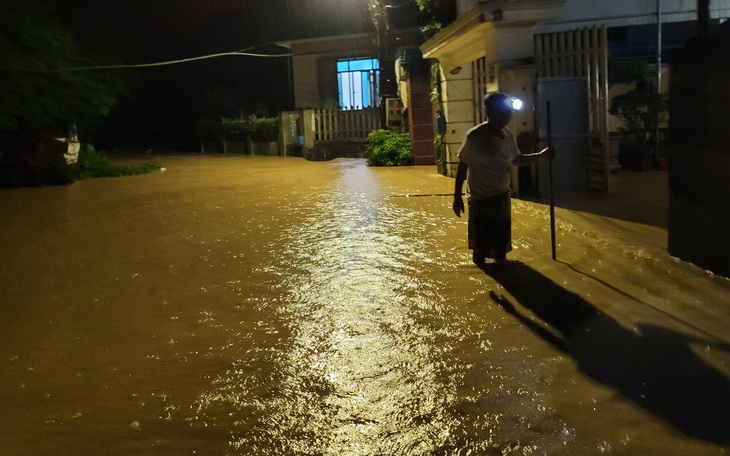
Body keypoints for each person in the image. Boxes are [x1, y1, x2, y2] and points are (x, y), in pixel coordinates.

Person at [452, 93, 555, 265]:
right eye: (500, 113)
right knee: (480, 251)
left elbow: (516, 160)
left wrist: (541, 156)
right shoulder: (476, 136)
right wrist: (456, 198)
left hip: (501, 198)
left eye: (507, 113)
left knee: (501, 248)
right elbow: (463, 167)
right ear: (489, 113)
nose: (505, 117)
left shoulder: (507, 135)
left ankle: (504, 277)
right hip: (480, 200)